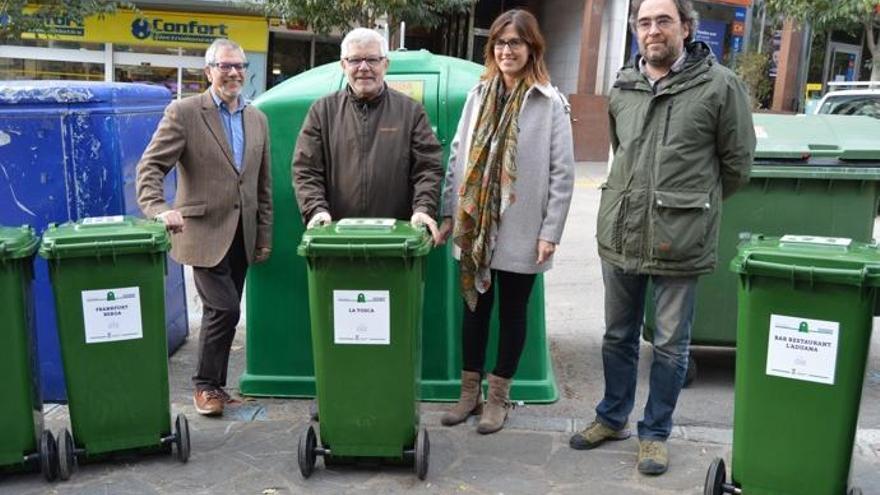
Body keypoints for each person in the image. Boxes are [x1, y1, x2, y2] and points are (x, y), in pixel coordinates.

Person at [568, 0, 755, 475]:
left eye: (663, 20)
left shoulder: (719, 86)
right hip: (622, 232)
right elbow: (620, 150)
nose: (653, 30)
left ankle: (655, 433)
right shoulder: (623, 85)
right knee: (617, 336)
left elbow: (736, 166)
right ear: (636, 30)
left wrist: (692, 206)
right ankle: (612, 417)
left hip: (681, 237)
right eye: (645, 22)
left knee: (671, 345)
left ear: (686, 28)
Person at [437, 9, 574, 435]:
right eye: (500, 42)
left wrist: (550, 232)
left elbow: (562, 173)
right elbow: (458, 153)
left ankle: (497, 399)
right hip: (475, 226)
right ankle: (468, 395)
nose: (506, 50)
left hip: (521, 228)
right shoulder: (479, 94)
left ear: (532, 47)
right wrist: (447, 211)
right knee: (474, 310)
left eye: (515, 42)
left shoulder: (549, 101)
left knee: (513, 313)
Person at [136, 38, 273, 417]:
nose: (232, 73)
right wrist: (158, 208)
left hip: (242, 234)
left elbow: (262, 184)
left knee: (224, 313)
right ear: (208, 71)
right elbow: (150, 168)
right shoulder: (183, 113)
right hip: (201, 232)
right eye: (224, 66)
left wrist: (263, 236)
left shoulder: (257, 118)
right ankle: (204, 387)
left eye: (239, 66)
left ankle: (216, 386)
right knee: (225, 309)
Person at [292, 28, 443, 242]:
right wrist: (316, 210)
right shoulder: (323, 111)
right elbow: (306, 170)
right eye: (355, 60)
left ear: (385, 64)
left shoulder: (411, 112)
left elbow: (428, 168)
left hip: (397, 242)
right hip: (336, 241)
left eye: (372, 59)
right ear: (343, 65)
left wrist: (423, 208)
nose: (364, 68)